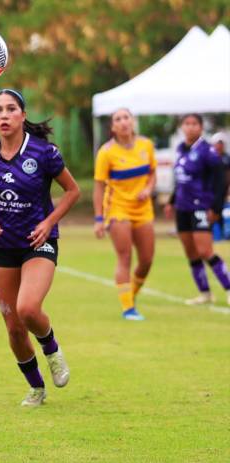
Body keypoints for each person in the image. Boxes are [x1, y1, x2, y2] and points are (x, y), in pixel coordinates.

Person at [0, 89, 79, 407]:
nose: (3, 115)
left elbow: (72, 191)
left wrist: (49, 223)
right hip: (3, 247)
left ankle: (52, 349)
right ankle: (36, 387)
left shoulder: (44, 152)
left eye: (10, 109)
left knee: (28, 308)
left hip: (38, 242)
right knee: (14, 327)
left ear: (22, 115)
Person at [93, 108, 157, 320]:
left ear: (133, 121)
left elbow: (152, 174)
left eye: (126, 117)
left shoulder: (146, 145)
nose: (123, 122)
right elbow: (99, 187)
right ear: (113, 127)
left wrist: (148, 189)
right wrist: (99, 218)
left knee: (147, 260)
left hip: (143, 209)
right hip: (118, 208)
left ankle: (130, 296)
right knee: (125, 256)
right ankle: (128, 308)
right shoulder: (106, 152)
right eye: (117, 119)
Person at [164, 115, 230, 305]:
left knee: (205, 250)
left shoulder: (207, 151)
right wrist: (171, 201)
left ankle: (228, 286)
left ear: (201, 128)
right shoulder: (180, 149)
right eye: (187, 124)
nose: (190, 127)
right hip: (183, 207)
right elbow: (181, 179)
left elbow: (221, 180)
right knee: (191, 252)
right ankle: (205, 293)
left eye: (194, 124)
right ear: (181, 127)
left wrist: (216, 207)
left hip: (200, 206)